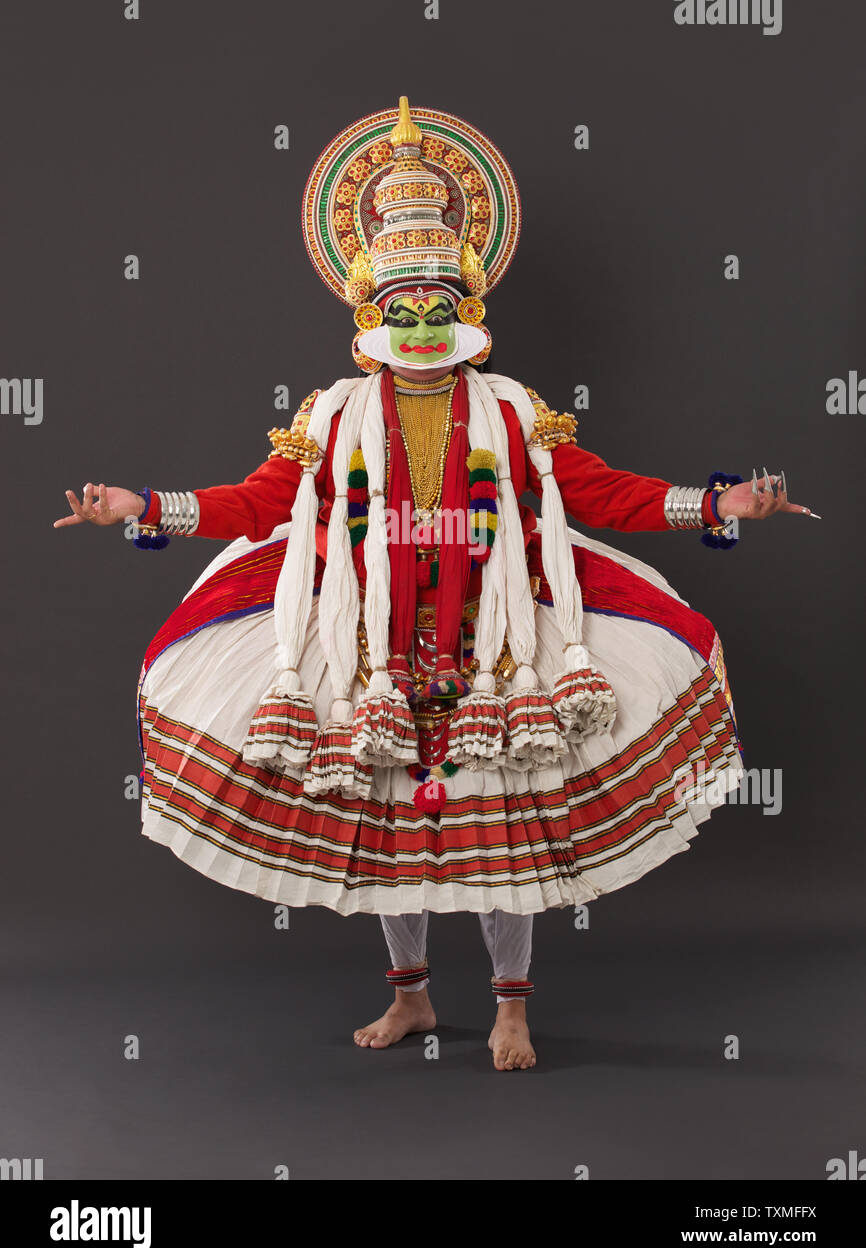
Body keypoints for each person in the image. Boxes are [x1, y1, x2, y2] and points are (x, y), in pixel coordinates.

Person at [55, 98, 817, 1072]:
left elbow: (600, 494)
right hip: (362, 642)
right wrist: (142, 504)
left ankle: (508, 1011)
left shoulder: (511, 412)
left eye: (439, 310)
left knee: (497, 833)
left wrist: (715, 504)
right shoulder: (329, 417)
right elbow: (256, 505)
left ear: (469, 317)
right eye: (402, 312)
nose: (421, 327)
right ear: (369, 319)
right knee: (389, 832)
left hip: (494, 639)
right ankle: (411, 997)